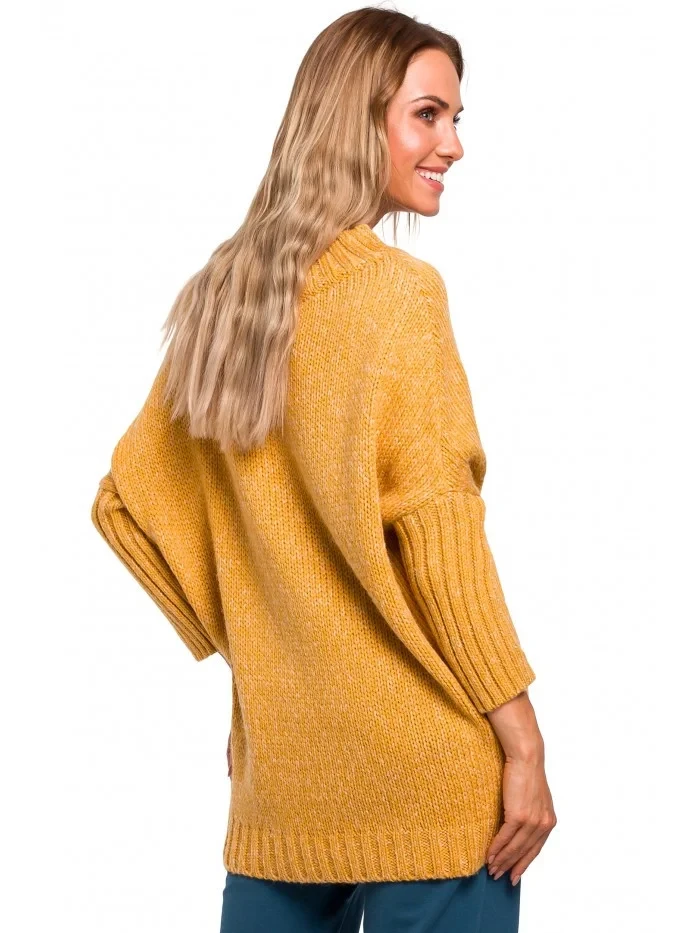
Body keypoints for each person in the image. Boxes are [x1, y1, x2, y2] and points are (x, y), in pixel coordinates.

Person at [91, 7, 556, 932]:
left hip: (283, 787)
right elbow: (442, 542)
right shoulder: (400, 296)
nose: (454, 144)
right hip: (430, 789)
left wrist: (276, 663)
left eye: (456, 118)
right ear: (356, 118)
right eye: (427, 115)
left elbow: (128, 507)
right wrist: (525, 744)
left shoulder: (226, 297)